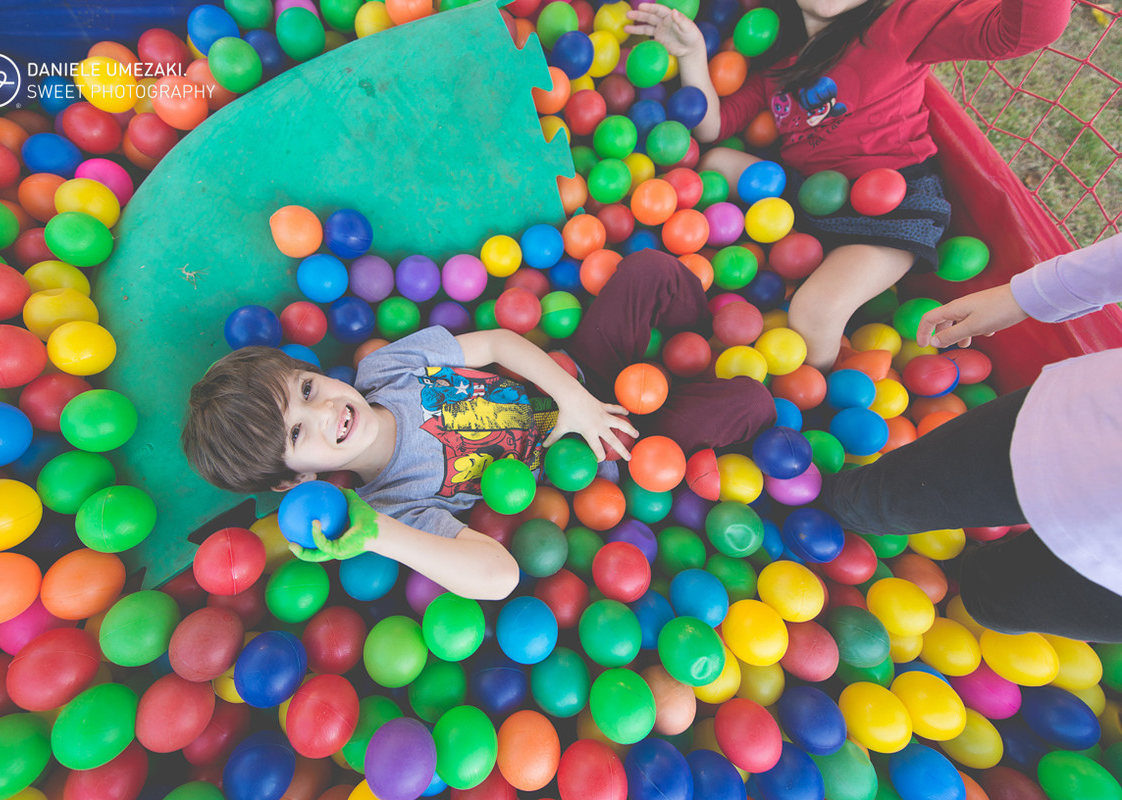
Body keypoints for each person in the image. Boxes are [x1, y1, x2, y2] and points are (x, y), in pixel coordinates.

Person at [183, 250, 776, 599]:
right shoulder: (394, 508)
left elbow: (495, 339)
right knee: (749, 403)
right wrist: (373, 535)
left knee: (650, 267)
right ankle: (707, 387)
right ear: (296, 480)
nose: (322, 412)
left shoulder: (383, 368)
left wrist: (576, 399)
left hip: (574, 379)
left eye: (306, 390)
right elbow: (499, 576)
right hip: (597, 455)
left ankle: (694, 335)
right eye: (296, 434)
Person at [626, 0, 1070, 370]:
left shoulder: (898, 24)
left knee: (813, 312)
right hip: (809, 199)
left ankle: (809, 399)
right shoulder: (779, 62)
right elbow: (713, 128)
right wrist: (691, 56)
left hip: (892, 209)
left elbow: (1021, 33)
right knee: (717, 161)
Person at [819, 233, 1122, 641]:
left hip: (1110, 578)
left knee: (994, 601)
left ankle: (968, 580)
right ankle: (842, 506)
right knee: (874, 500)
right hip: (1077, 435)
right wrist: (1026, 297)